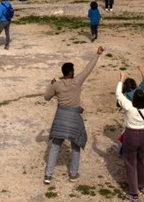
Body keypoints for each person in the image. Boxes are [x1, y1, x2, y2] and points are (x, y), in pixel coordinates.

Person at [43, 46, 104, 184]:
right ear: (71, 72)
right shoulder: (77, 82)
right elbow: (89, 69)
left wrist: (51, 85)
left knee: (55, 146)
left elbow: (46, 97)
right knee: (76, 145)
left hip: (60, 118)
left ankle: (48, 175)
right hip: (74, 118)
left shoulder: (57, 85)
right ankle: (73, 174)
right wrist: (97, 54)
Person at [116, 74, 144, 202]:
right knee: (143, 160)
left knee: (130, 163)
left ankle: (134, 193)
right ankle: (143, 185)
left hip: (131, 135)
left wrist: (121, 80)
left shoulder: (128, 106)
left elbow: (118, 95)